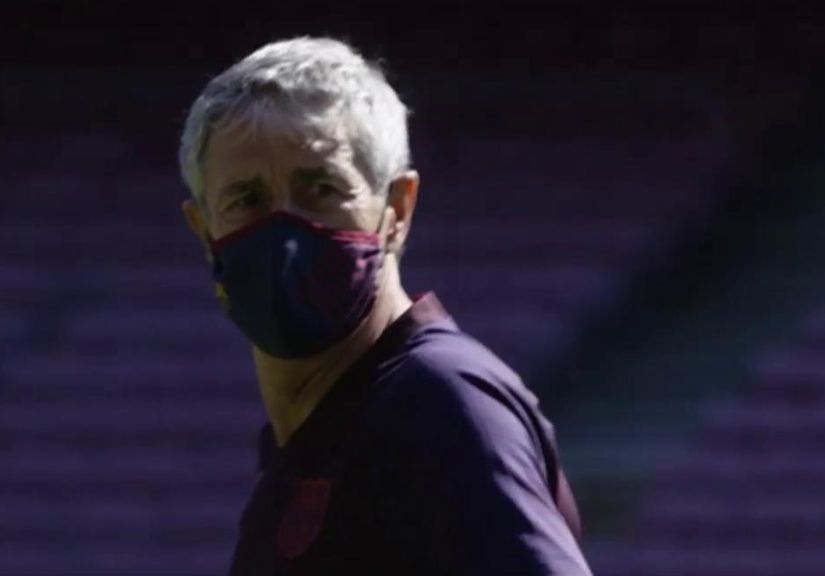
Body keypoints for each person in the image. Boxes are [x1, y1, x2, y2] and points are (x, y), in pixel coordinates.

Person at [177, 36, 593, 575]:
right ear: (204, 229)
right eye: (245, 200)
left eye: (320, 189)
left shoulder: (439, 402)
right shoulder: (317, 437)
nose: (281, 232)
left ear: (397, 208)